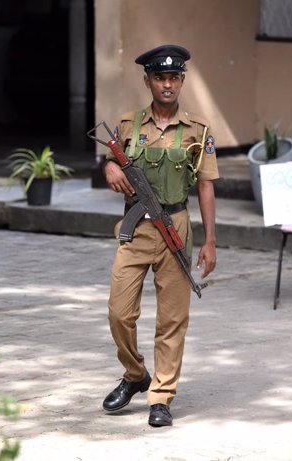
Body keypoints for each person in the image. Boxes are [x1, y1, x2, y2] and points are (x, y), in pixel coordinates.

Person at [101, 44, 219, 427]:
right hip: (135, 230)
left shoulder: (198, 131)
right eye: (159, 77)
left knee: (172, 319)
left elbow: (205, 186)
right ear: (148, 81)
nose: (167, 84)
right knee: (119, 312)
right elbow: (112, 160)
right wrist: (109, 170)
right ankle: (135, 375)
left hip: (176, 227)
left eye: (173, 78)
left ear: (181, 81)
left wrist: (211, 240)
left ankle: (161, 396)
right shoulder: (127, 124)